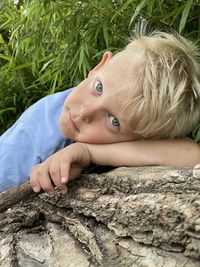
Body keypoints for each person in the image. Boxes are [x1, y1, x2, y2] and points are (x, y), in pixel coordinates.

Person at [0, 26, 200, 194]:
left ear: (138, 140)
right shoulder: (82, 97)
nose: (86, 111)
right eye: (99, 88)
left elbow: (191, 155)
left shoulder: (73, 149)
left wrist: (88, 151)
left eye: (114, 121)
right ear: (99, 66)